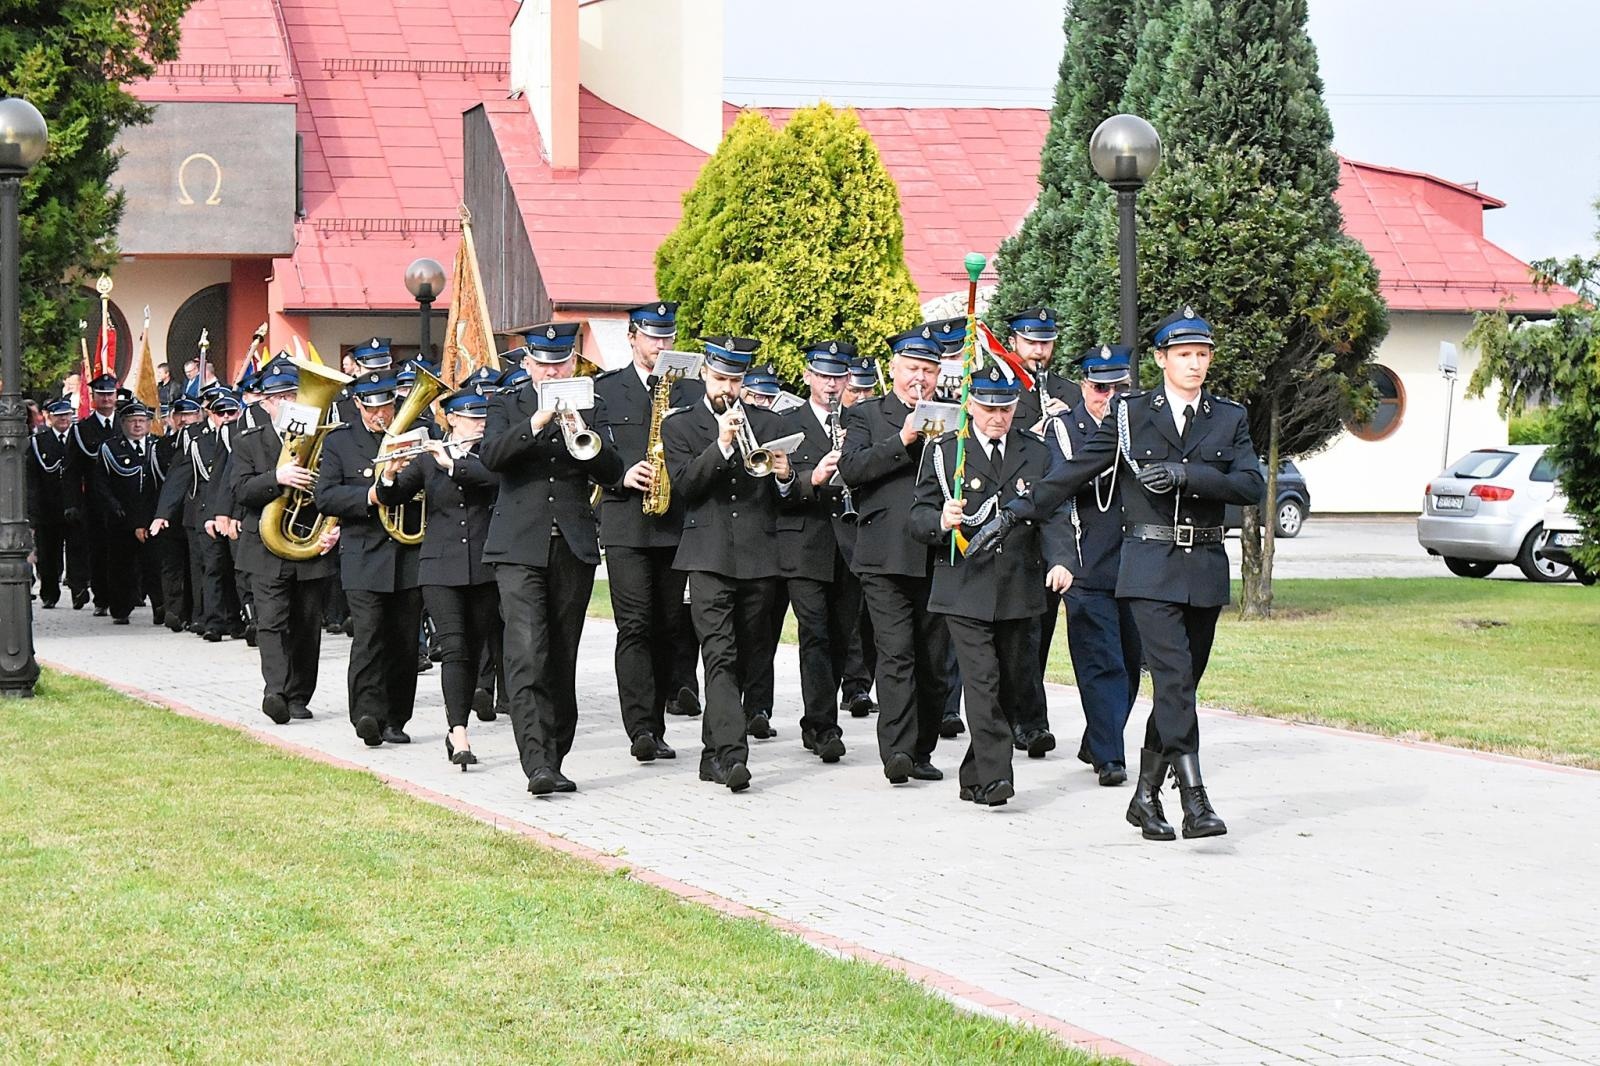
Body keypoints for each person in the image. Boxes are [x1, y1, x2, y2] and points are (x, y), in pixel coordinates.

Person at [967, 308, 1264, 840]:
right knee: (1173, 680)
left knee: (1182, 688)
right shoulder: (1132, 414)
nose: (1194, 365)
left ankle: (1146, 796)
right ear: (1161, 360)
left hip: (1205, 565)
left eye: (1201, 355)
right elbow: (1072, 471)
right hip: (1148, 568)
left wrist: (1186, 474)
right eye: (1183, 356)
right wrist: (1013, 515)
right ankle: (1194, 799)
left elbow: (1250, 485)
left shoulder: (1228, 416)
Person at [910, 365, 1074, 806]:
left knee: (1008, 683)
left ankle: (972, 775)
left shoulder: (1036, 453)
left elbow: (1054, 511)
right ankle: (998, 775)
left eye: (1005, 407)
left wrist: (1061, 560)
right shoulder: (948, 452)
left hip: (1019, 586)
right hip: (965, 584)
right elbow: (918, 515)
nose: (997, 416)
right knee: (980, 681)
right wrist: (940, 522)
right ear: (970, 404)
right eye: (987, 407)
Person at [481, 323, 623, 795]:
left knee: (562, 654)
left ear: (572, 364)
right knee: (527, 652)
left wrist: (583, 433)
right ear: (528, 366)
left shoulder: (593, 406)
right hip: (518, 547)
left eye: (560, 362)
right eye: (543, 363)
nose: (552, 370)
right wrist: (537, 422)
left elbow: (614, 470)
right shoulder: (507, 403)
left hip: (573, 545)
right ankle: (536, 761)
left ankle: (556, 756)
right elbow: (491, 457)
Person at [661, 335, 789, 792]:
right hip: (709, 556)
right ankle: (733, 757)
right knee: (719, 655)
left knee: (749, 658)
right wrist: (721, 444)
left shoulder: (767, 422)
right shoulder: (680, 426)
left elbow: (785, 496)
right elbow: (685, 487)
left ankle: (712, 751)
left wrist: (785, 475)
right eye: (720, 378)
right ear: (703, 375)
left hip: (759, 556)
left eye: (736, 380)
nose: (728, 389)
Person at [591, 300, 706, 765]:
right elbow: (590, 452)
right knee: (634, 627)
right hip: (625, 523)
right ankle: (639, 727)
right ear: (632, 337)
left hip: (674, 521)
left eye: (667, 337)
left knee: (667, 627)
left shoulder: (690, 390)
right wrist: (620, 475)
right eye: (652, 336)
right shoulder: (607, 390)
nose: (660, 345)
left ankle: (657, 724)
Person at [836, 327, 951, 786]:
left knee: (934, 661)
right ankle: (898, 752)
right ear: (893, 371)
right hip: (885, 554)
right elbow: (851, 469)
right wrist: (903, 438)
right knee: (896, 655)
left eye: (927, 370)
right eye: (911, 370)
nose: (919, 379)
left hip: (937, 553)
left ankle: (922, 749)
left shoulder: (955, 417)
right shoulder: (866, 415)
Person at [378, 387, 501, 767]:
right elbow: (392, 497)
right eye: (470, 416)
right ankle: (458, 731)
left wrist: (452, 463)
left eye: (482, 415)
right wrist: (389, 473)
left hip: (483, 566)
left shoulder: (491, 454)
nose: (480, 422)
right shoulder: (428, 459)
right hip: (439, 566)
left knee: (476, 647)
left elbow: (493, 481)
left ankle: (459, 726)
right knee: (454, 649)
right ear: (450, 419)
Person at [219, 363, 341, 725]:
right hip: (265, 545)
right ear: (266, 404)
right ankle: (275, 690)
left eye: (293, 396)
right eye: (279, 398)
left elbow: (334, 487)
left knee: (306, 624)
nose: (287, 403)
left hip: (308, 540)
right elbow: (239, 490)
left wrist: (334, 527)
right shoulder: (248, 441)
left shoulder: (322, 439)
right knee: (271, 622)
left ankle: (300, 695)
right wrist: (277, 477)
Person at [1044, 345, 1143, 786]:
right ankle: (1110, 757)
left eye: (1119, 387)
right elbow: (1056, 497)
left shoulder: (1141, 426)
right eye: (1101, 387)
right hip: (1085, 564)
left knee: (1132, 662)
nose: (1110, 396)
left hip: (1136, 563)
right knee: (1102, 663)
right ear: (1084, 386)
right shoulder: (1063, 431)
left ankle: (1098, 736)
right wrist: (1061, 558)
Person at [314, 370, 425, 747]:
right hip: (364, 551)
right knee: (369, 634)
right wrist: (372, 497)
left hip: (409, 549)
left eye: (388, 405)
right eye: (374, 407)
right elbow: (325, 496)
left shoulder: (416, 435)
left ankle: (396, 718)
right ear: (358, 404)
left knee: (405, 638)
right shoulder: (341, 442)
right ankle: (366, 713)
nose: (383, 414)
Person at [773, 340, 859, 763]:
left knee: (842, 637)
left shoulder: (859, 422)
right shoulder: (787, 423)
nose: (831, 384)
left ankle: (822, 718)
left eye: (838, 376)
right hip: (804, 545)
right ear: (808, 376)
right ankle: (822, 725)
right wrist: (813, 477)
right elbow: (775, 488)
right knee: (815, 634)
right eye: (824, 375)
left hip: (851, 545)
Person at [94, 401, 165, 625]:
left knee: (154, 565)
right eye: (132, 421)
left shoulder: (158, 446)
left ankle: (160, 607)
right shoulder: (111, 448)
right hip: (121, 517)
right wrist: (115, 508)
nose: (137, 425)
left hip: (153, 516)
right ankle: (120, 608)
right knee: (120, 566)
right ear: (123, 423)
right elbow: (101, 483)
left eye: (142, 420)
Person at [835, 356, 878, 716]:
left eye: (867, 389)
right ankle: (854, 683)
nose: (861, 396)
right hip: (837, 528)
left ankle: (861, 684)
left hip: (869, 523)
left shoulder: (873, 421)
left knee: (868, 615)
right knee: (847, 613)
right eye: (855, 390)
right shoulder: (842, 421)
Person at [66, 373, 121, 615]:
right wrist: (72, 503)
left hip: (124, 498)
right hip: (95, 501)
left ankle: (125, 595)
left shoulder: (125, 423)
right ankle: (102, 598)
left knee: (124, 550)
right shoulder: (82, 429)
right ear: (94, 397)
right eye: (102, 395)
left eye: (110, 394)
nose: (107, 398)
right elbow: (71, 471)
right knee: (98, 550)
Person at [26, 399, 88, 609]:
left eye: (67, 415)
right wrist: (33, 510)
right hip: (48, 507)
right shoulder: (39, 442)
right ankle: (49, 593)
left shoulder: (77, 438)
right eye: (59, 415)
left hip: (75, 505)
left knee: (78, 550)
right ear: (49, 417)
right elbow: (33, 479)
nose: (64, 419)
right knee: (48, 554)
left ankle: (78, 589)